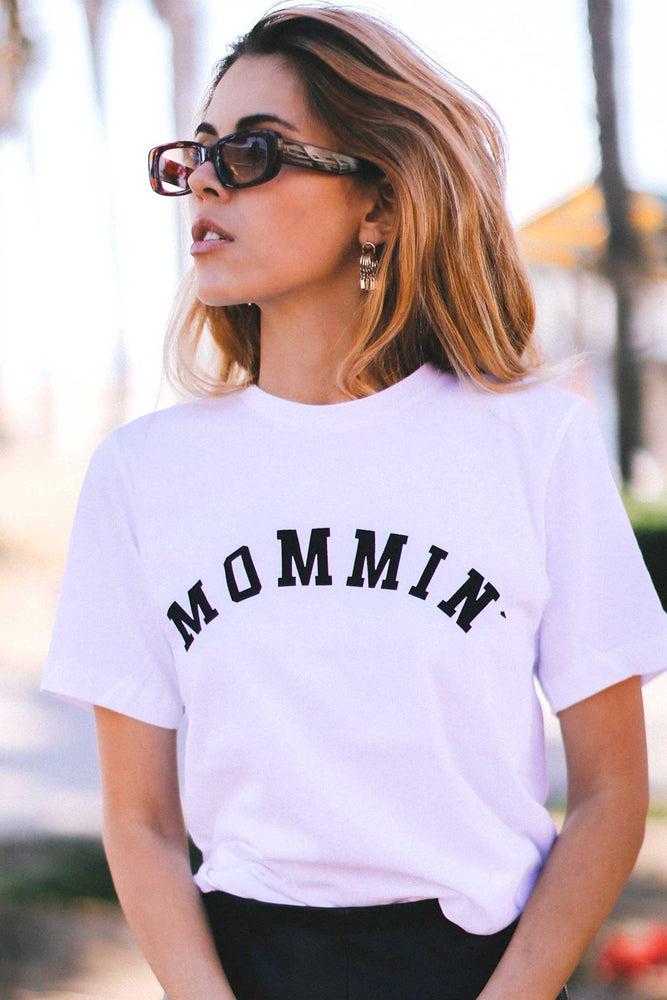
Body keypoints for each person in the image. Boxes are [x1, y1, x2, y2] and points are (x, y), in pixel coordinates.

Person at [42, 6, 667, 1000]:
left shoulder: (535, 442)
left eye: (252, 152)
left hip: (479, 969)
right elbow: (141, 819)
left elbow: (609, 791)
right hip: (244, 970)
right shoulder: (140, 474)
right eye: (197, 153)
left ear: (377, 202)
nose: (205, 181)